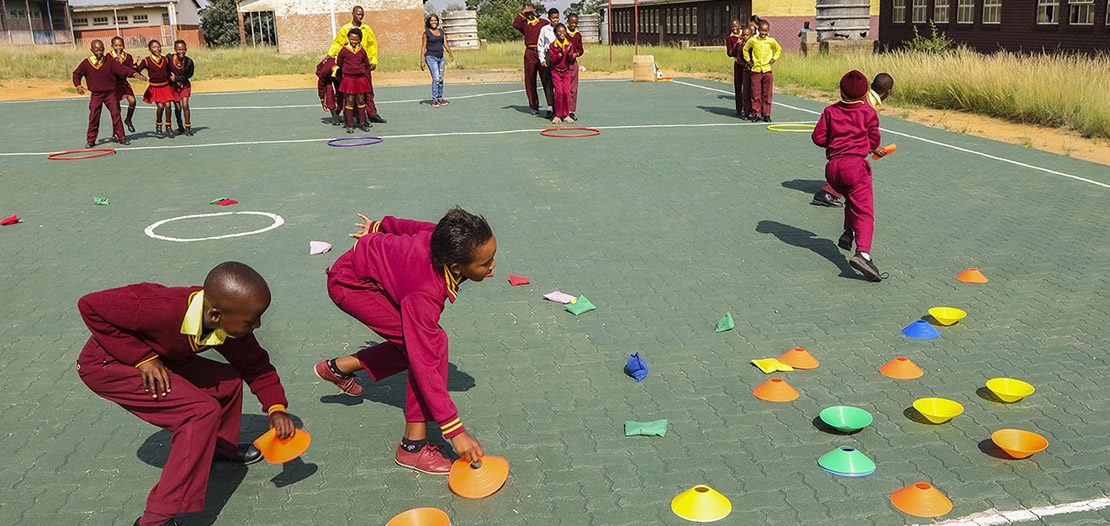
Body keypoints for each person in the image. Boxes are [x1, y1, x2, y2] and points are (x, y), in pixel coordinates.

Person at [76, 262, 296, 526]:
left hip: (163, 359)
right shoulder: (159, 307)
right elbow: (89, 305)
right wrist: (142, 358)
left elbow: (256, 366)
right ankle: (156, 518)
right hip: (108, 364)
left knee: (226, 382)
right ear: (215, 315)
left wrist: (276, 408)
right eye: (251, 320)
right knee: (199, 412)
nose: (258, 325)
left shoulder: (227, 322)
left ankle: (217, 448)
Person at [314, 208, 497, 474]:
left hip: (366, 273)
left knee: (422, 343)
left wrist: (378, 226)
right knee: (429, 347)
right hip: (351, 285)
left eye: (492, 257)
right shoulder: (424, 294)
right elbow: (424, 363)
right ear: (457, 266)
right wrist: (455, 430)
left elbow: (409, 226)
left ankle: (338, 368)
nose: (492, 265)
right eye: (485, 263)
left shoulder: (440, 238)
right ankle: (412, 448)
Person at [811, 70, 887, 282]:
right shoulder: (868, 112)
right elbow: (873, 140)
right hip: (855, 166)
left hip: (833, 168)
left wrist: (835, 142)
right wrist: (871, 147)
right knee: (864, 211)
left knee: (850, 202)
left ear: (841, 91)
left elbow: (817, 138)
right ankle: (863, 254)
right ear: (865, 94)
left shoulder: (829, 111)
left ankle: (847, 233)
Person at [813, 73, 894, 207]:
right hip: (844, 153)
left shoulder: (865, 96)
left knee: (848, 163)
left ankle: (830, 191)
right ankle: (827, 193)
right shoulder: (867, 103)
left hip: (840, 153)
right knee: (851, 164)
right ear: (888, 92)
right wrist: (871, 147)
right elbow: (856, 132)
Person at [72, 39, 145, 148]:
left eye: (101, 50)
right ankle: (91, 139)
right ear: (91, 50)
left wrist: (135, 74)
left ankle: (121, 137)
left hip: (110, 93)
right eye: (96, 50)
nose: (99, 52)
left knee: (116, 114)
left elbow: (122, 69)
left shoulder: (109, 62)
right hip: (96, 94)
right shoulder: (86, 63)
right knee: (94, 116)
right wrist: (78, 85)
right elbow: (76, 74)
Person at [327, 6, 386, 124]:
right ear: (352, 14)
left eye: (362, 14)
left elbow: (372, 45)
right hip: (350, 67)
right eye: (358, 14)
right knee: (350, 93)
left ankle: (372, 114)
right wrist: (329, 55)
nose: (360, 16)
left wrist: (373, 60)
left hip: (364, 65)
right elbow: (338, 44)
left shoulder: (366, 28)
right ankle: (355, 117)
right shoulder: (345, 29)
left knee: (368, 91)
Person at [512, 5, 551, 116]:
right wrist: (522, 12)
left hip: (542, 52)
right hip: (530, 52)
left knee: (546, 79)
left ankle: (550, 106)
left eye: (531, 12)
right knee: (530, 80)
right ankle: (534, 106)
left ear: (535, 12)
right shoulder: (524, 24)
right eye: (527, 13)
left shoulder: (543, 22)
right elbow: (515, 24)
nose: (529, 14)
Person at [135, 40, 177, 138]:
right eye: (154, 47)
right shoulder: (147, 60)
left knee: (168, 105)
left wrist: (176, 79)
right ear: (150, 49)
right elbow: (137, 70)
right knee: (160, 107)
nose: (157, 49)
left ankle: (168, 126)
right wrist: (135, 65)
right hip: (155, 87)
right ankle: (158, 126)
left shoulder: (165, 59)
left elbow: (169, 71)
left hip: (165, 86)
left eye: (158, 47)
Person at [743, 20, 781, 122]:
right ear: (758, 30)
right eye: (761, 31)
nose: (763, 33)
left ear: (768, 31)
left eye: (765, 31)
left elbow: (778, 49)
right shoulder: (753, 40)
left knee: (767, 94)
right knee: (756, 94)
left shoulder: (771, 41)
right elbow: (745, 49)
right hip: (756, 70)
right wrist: (748, 60)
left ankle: (766, 114)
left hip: (767, 70)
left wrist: (774, 58)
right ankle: (756, 113)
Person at [337, 27, 373, 133]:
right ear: (348, 38)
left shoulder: (362, 50)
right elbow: (339, 62)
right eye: (351, 39)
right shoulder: (344, 50)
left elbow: (366, 63)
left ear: (359, 40)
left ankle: (362, 123)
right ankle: (349, 124)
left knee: (361, 100)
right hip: (349, 79)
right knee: (349, 101)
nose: (353, 41)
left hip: (360, 79)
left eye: (356, 39)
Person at [421, 13, 454, 107]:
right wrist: (422, 61)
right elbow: (423, 47)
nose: (434, 22)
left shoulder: (441, 31)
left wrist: (450, 53)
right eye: (431, 20)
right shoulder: (426, 33)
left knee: (441, 79)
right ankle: (435, 100)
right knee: (436, 78)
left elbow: (445, 43)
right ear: (428, 22)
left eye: (435, 20)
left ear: (437, 21)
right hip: (431, 57)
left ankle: (440, 98)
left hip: (441, 57)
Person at [547, 23, 578, 124]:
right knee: (559, 93)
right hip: (556, 71)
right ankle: (558, 115)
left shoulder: (569, 44)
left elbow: (571, 59)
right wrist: (560, 54)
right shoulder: (552, 45)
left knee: (566, 93)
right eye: (559, 32)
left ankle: (566, 114)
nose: (562, 33)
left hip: (566, 71)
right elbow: (553, 60)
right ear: (555, 33)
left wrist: (569, 53)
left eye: (564, 31)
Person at [108, 36, 138, 133]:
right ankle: (116, 132)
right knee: (116, 110)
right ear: (112, 46)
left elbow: (130, 71)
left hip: (123, 83)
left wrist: (135, 66)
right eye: (116, 45)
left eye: (120, 45)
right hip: (113, 84)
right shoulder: (108, 57)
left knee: (132, 101)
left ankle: (128, 119)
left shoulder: (128, 57)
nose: (118, 47)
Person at [535, 8, 561, 119]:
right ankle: (550, 107)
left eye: (557, 17)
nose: (555, 20)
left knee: (560, 85)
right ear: (549, 18)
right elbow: (540, 45)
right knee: (549, 84)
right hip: (549, 56)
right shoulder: (545, 29)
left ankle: (561, 108)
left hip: (560, 57)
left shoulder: (561, 28)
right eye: (553, 18)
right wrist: (542, 59)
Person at [168, 40, 195, 136]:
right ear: (175, 49)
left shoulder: (189, 62)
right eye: (179, 49)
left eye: (183, 49)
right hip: (173, 87)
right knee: (178, 107)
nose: (181, 52)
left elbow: (190, 74)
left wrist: (178, 78)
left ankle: (188, 127)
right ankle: (180, 126)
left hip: (184, 85)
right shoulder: (169, 58)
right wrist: (172, 79)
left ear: (186, 49)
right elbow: (164, 69)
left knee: (185, 105)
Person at [565, 13, 585, 120]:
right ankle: (561, 110)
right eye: (571, 22)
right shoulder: (563, 33)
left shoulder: (578, 35)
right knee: (563, 89)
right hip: (563, 64)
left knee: (573, 89)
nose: (573, 24)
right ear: (568, 21)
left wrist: (576, 53)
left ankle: (571, 111)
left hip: (573, 64)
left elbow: (581, 49)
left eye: (575, 22)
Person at [725, 20, 745, 118]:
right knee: (738, 86)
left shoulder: (746, 34)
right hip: (738, 64)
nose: (734, 28)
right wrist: (737, 44)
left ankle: (748, 109)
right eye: (732, 26)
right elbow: (729, 53)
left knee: (748, 87)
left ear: (740, 26)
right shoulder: (730, 38)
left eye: (736, 26)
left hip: (747, 64)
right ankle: (739, 109)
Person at [316, 55, 344, 125]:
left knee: (341, 92)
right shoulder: (326, 70)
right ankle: (334, 116)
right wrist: (322, 98)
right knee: (329, 90)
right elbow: (321, 86)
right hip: (324, 73)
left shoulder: (346, 67)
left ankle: (337, 113)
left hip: (336, 72)